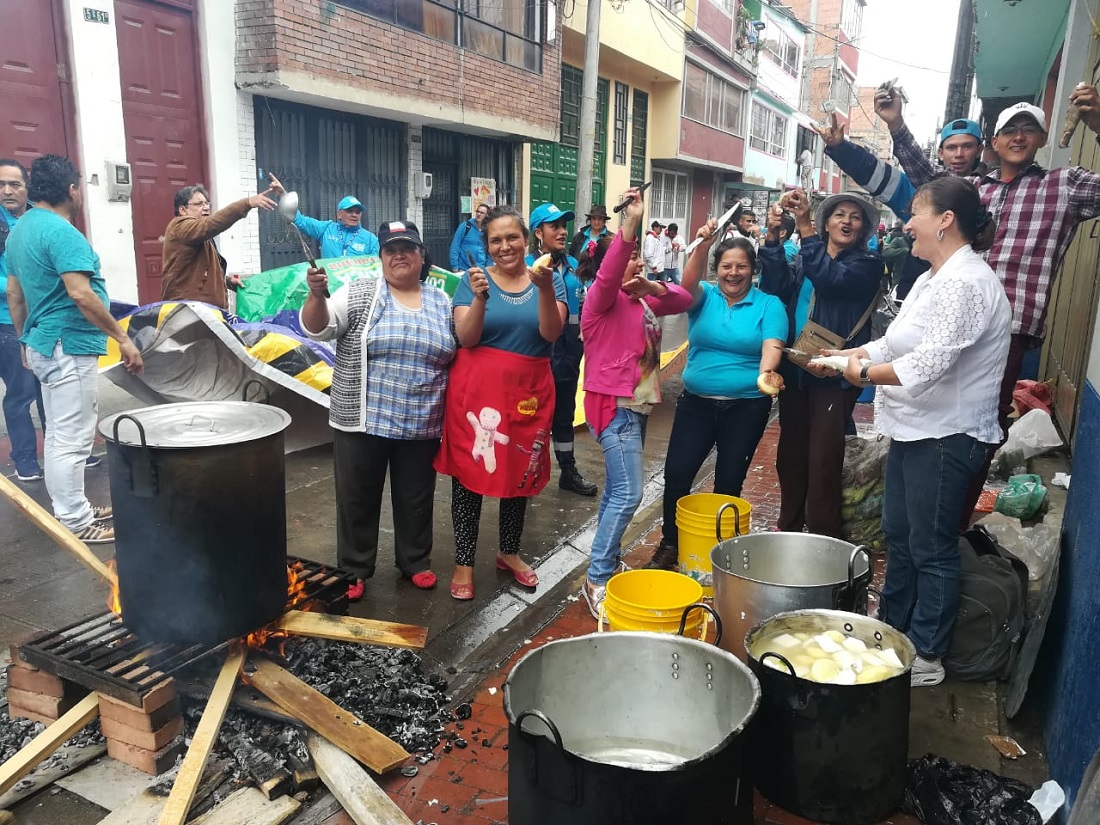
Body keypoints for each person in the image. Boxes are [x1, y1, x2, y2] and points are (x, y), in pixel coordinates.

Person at [876, 86, 1100, 527]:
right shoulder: (971, 189)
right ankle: (921, 518)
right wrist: (897, 125)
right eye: (1009, 131)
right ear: (992, 144)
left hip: (1010, 327)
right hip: (948, 322)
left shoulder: (1063, 185)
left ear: (1040, 139)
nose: (1018, 137)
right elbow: (927, 180)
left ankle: (949, 523)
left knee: (976, 429)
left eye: (1028, 130)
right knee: (933, 415)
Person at [825, 177, 1010, 687]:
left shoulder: (966, 283)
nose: (906, 224)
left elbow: (927, 363)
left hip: (948, 436)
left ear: (945, 221)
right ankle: (892, 632)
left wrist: (858, 375)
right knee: (901, 538)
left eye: (915, 214)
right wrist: (848, 356)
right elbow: (895, 341)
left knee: (931, 547)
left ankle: (926, 652)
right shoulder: (933, 277)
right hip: (914, 430)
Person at [300, 220, 455, 602]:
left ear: (422, 257)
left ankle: (415, 562)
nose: (398, 254)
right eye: (390, 249)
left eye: (407, 248)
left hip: (422, 422)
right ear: (381, 257)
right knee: (357, 497)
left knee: (416, 497)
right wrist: (316, 296)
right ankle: (354, 569)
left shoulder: (441, 301)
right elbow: (318, 329)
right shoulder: (360, 291)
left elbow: (460, 348)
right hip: (362, 419)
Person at [5, 155, 143, 544]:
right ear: (71, 189)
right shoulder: (63, 232)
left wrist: (24, 339)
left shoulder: (20, 231)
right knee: (72, 437)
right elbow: (80, 292)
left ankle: (73, 506)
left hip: (44, 343)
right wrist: (123, 338)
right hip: (67, 344)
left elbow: (15, 294)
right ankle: (76, 520)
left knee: (59, 434)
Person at [435, 205, 567, 601]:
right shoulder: (470, 280)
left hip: (529, 391)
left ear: (527, 240)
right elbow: (467, 338)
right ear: (486, 245)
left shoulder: (551, 280)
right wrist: (478, 298)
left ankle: (508, 552)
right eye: (496, 240)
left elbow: (551, 332)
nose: (505, 246)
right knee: (470, 475)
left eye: (513, 237)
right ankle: (464, 561)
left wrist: (543, 287)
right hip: (475, 393)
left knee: (518, 472)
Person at [579, 187, 693, 617]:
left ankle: (604, 565)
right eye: (632, 257)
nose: (638, 261)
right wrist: (630, 222)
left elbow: (684, 299)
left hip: (638, 405)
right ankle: (597, 576)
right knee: (629, 495)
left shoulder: (640, 298)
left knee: (616, 492)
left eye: (640, 256)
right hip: (615, 406)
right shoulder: (599, 301)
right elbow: (610, 273)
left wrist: (653, 285)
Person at [646, 225, 787, 571]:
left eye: (741, 266)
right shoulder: (704, 297)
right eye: (726, 266)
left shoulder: (769, 305)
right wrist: (703, 245)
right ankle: (670, 544)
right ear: (717, 269)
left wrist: (767, 372)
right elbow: (685, 286)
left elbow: (773, 344)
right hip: (696, 402)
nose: (733, 273)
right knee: (678, 474)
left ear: (753, 270)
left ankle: (720, 550)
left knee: (728, 479)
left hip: (748, 406)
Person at [758, 189, 882, 537]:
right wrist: (772, 238)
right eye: (839, 214)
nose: (846, 221)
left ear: (863, 229)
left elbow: (830, 280)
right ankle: (789, 526)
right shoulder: (802, 259)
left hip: (835, 372)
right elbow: (773, 286)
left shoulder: (867, 265)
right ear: (827, 223)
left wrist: (804, 226)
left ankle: (825, 536)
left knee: (823, 458)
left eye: (854, 217)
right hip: (797, 368)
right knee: (790, 455)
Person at [819, 113, 986, 302]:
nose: (959, 154)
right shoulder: (918, 192)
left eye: (967, 146)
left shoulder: (992, 194)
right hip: (916, 294)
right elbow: (873, 171)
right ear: (940, 153)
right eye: (951, 147)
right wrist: (841, 149)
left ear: (979, 150)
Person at [526, 202, 597, 497]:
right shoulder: (525, 267)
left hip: (568, 351)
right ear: (538, 232)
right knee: (531, 416)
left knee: (564, 413)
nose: (562, 232)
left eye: (563, 226)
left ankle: (567, 471)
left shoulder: (573, 267)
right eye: (554, 226)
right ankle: (526, 475)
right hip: (536, 352)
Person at [161, 183, 277, 309]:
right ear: (182, 210)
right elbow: (210, 225)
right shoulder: (180, 226)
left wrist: (226, 281)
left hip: (204, 313)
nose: (206, 207)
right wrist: (247, 203)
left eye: (207, 203)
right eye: (199, 204)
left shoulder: (197, 232)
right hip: (188, 313)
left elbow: (201, 270)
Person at [0, 158, 45, 482]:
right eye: (1, 185)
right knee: (21, 392)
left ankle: (67, 454)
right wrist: (23, 285)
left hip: (43, 319)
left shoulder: (39, 218)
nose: (6, 191)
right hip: (7, 323)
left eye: (14, 184)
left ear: (27, 187)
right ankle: (25, 460)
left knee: (51, 387)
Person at [268, 173, 381, 259]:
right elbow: (300, 220)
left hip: (356, 288)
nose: (354, 215)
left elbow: (377, 268)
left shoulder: (370, 239)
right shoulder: (327, 229)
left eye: (358, 212)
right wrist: (283, 195)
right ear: (339, 214)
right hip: (330, 287)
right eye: (350, 211)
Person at [449, 203, 492, 271]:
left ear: (487, 215)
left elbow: (490, 252)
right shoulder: (465, 226)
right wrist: (455, 267)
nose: (479, 214)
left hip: (481, 270)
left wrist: (489, 269)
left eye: (482, 213)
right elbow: (455, 247)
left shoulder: (488, 231)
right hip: (463, 269)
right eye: (477, 211)